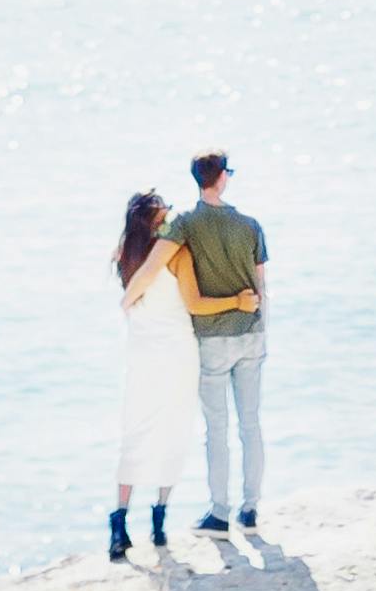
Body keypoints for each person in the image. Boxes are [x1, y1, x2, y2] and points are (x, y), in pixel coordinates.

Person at [169, 151, 267, 535]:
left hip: (212, 339)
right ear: (223, 177)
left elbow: (160, 248)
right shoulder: (251, 225)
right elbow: (263, 288)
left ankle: (220, 513)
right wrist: (264, 331)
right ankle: (251, 509)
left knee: (218, 429)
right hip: (251, 333)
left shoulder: (186, 224)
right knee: (251, 423)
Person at [107, 190, 195, 561]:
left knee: (135, 432)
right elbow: (191, 300)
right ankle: (159, 521)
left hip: (140, 351)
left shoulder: (124, 254)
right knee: (174, 428)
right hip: (176, 349)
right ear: (158, 220)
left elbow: (131, 301)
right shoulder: (176, 253)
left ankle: (119, 523)